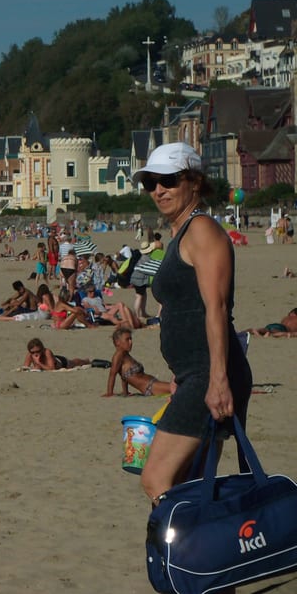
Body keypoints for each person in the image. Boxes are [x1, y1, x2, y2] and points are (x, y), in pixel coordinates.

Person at [132, 143, 253, 507]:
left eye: (168, 180)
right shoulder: (181, 233)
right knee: (191, 484)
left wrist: (216, 380)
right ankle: (195, 543)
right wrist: (181, 378)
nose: (158, 190)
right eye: (150, 183)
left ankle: (182, 540)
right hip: (195, 375)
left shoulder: (201, 230)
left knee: (157, 479)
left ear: (194, 182)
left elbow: (216, 308)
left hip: (209, 373)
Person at [102, 327, 171, 397]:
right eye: (127, 339)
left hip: (154, 384)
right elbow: (112, 375)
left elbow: (123, 376)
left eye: (131, 339)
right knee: (175, 388)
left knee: (175, 386)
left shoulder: (125, 355)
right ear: (118, 342)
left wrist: (125, 392)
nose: (130, 342)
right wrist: (109, 393)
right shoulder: (118, 356)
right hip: (150, 387)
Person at [22, 338, 90, 370]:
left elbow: (52, 369)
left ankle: (86, 361)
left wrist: (39, 363)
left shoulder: (47, 352)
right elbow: (25, 367)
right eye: (33, 352)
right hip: (52, 360)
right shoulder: (30, 354)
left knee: (75, 362)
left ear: (42, 349)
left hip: (61, 363)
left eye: (38, 351)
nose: (35, 354)